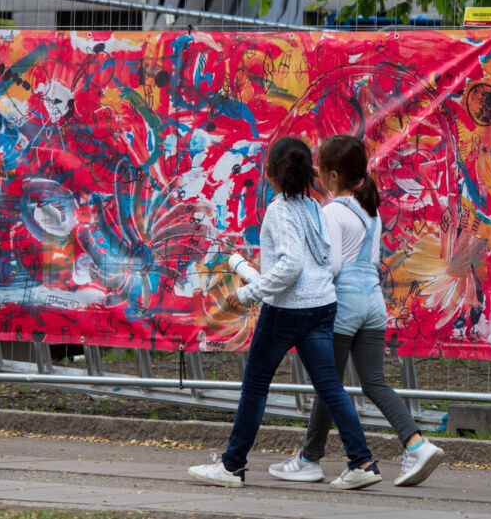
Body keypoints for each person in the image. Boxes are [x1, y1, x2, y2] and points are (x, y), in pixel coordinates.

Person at [188, 136, 382, 490]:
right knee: (329, 386)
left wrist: (246, 294)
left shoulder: (279, 210)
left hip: (286, 311)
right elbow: (315, 260)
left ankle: (232, 467)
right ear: (309, 172)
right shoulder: (311, 205)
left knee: (255, 386)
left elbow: (291, 266)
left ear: (268, 172)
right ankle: (362, 461)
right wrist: (256, 277)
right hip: (321, 306)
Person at [268, 134, 444, 488]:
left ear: (332, 175)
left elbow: (331, 265)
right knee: (373, 382)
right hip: (373, 303)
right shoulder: (370, 209)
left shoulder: (332, 211)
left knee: (327, 382)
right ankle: (416, 444)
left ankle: (310, 459)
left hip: (344, 303)